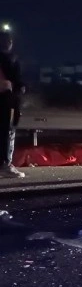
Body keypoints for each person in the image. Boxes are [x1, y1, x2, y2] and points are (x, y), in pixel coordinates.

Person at [0, 30, 25, 178]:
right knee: (7, 132)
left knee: (6, 131)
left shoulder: (12, 59)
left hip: (9, 100)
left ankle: (5, 163)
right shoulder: (11, 59)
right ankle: (4, 164)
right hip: (6, 100)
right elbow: (16, 81)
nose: (9, 43)